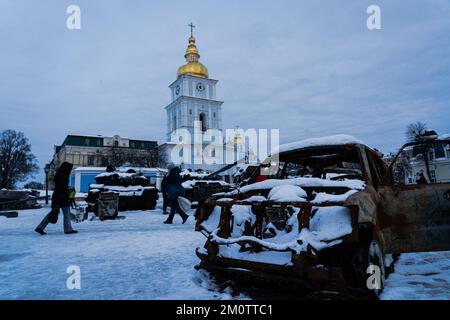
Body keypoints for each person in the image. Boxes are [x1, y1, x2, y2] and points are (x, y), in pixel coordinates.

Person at [35, 162, 78, 235]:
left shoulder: (60, 174)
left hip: (58, 196)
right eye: (69, 168)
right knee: (64, 213)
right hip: (61, 196)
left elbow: (60, 187)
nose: (70, 170)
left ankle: (40, 227)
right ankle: (68, 229)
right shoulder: (62, 176)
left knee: (54, 212)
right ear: (66, 168)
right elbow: (61, 187)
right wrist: (66, 195)